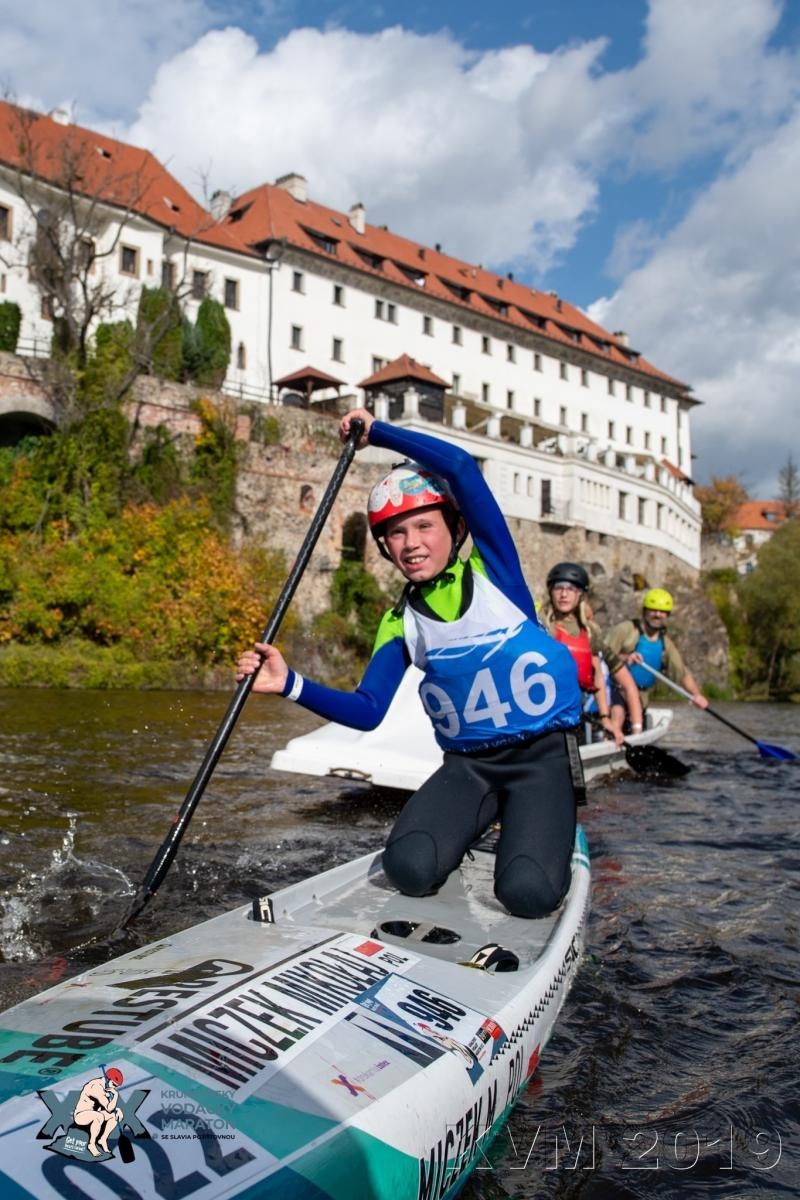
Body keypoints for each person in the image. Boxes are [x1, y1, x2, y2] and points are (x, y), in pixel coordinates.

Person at [237, 408, 584, 919]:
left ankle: (543, 828)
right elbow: (369, 710)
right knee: (409, 868)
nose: (411, 544)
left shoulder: (496, 573)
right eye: (395, 534)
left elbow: (462, 468)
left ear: (455, 526)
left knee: (527, 895)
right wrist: (290, 683)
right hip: (471, 767)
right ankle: (482, 821)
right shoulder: (400, 621)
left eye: (423, 525)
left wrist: (377, 433)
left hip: (541, 762)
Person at [540, 563, 644, 746]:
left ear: (580, 594)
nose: (564, 594)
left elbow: (597, 678)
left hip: (574, 715)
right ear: (550, 591)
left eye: (571, 589)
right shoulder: (540, 626)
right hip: (543, 714)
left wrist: (605, 719)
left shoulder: (589, 632)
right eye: (559, 588)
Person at [607, 587, 709, 735]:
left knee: (634, 728)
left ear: (667, 615)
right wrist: (625, 657)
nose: (657, 615)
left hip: (641, 698)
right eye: (653, 610)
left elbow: (681, 672)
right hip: (615, 690)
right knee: (619, 715)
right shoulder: (626, 630)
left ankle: (634, 738)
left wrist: (696, 695)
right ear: (644, 611)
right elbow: (600, 654)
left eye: (662, 612)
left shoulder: (665, 643)